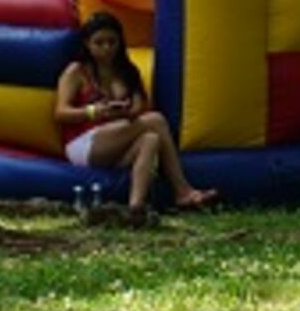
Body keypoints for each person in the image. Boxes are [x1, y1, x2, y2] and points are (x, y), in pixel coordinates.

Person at [51, 13, 213, 215]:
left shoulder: (127, 71)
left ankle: (135, 208)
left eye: (112, 42)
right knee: (156, 120)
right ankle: (183, 190)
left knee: (150, 139)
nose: (107, 48)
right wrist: (94, 112)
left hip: (118, 138)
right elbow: (61, 112)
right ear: (87, 44)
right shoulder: (77, 71)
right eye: (99, 43)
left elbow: (138, 108)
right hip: (84, 144)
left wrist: (123, 111)